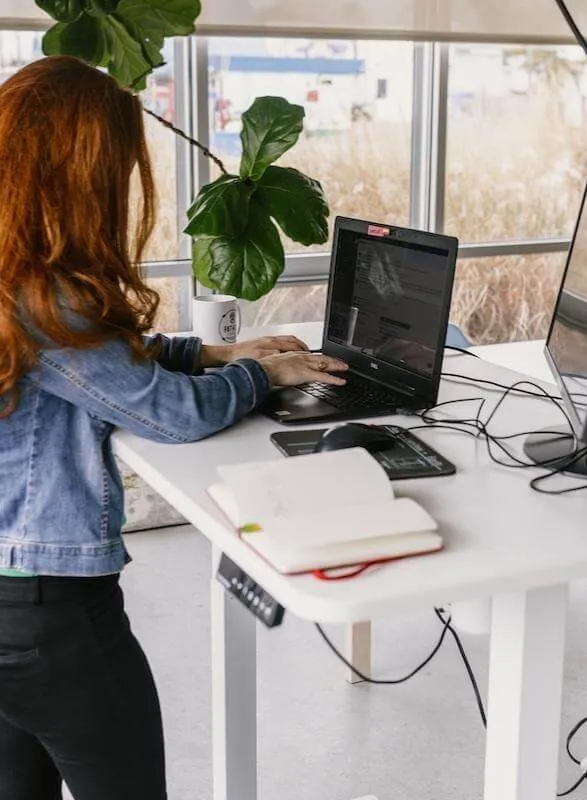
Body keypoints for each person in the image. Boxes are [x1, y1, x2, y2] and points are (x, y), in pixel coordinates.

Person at [0, 57, 349, 799]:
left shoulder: (11, 273)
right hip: (47, 615)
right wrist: (263, 376)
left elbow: (91, 365)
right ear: (74, 172)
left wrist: (214, 351)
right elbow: (170, 415)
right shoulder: (41, 293)